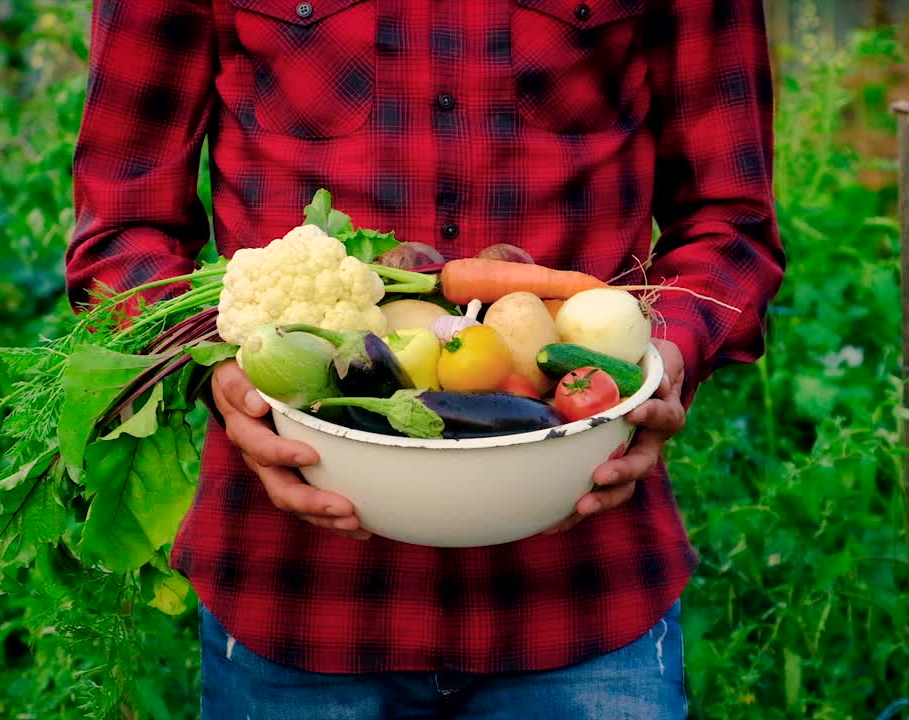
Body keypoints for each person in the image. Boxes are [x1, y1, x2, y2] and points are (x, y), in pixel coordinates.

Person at [67, 0, 784, 717]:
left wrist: (663, 357)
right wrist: (215, 367)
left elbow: (731, 222)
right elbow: (123, 228)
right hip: (296, 589)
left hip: (583, 582)